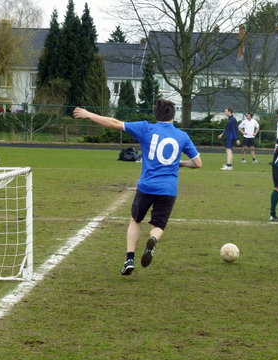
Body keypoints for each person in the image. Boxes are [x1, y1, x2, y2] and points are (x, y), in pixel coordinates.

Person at [73, 99, 202, 276]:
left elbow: (114, 123)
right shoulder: (182, 136)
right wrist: (182, 163)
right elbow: (198, 163)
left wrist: (89, 114)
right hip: (168, 189)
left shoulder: (145, 128)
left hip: (147, 186)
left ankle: (129, 259)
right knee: (158, 225)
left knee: (136, 220)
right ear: (173, 115)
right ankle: (153, 239)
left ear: (156, 114)